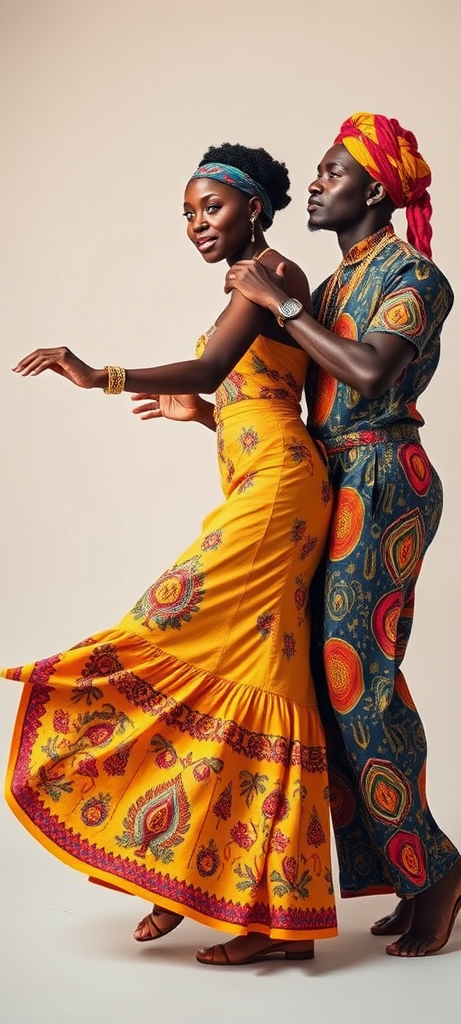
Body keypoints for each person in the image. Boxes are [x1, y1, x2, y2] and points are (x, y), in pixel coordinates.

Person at [3, 143, 338, 966]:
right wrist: (203, 417)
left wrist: (101, 374)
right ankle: (247, 907)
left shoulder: (271, 275)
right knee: (260, 684)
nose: (196, 225)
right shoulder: (258, 281)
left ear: (253, 207)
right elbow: (252, 391)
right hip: (266, 489)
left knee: (164, 623)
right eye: (188, 214)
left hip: (279, 496)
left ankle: (215, 892)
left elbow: (216, 363)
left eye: (210, 208)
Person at [225, 112, 461, 957]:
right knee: (329, 688)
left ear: (375, 189)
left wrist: (282, 303)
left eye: (333, 172)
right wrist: (205, 412)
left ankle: (438, 871)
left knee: (355, 681)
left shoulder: (416, 274)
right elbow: (304, 401)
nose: (313, 182)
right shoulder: (337, 285)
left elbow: (371, 371)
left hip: (382, 479)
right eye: (317, 172)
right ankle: (411, 873)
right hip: (337, 478)